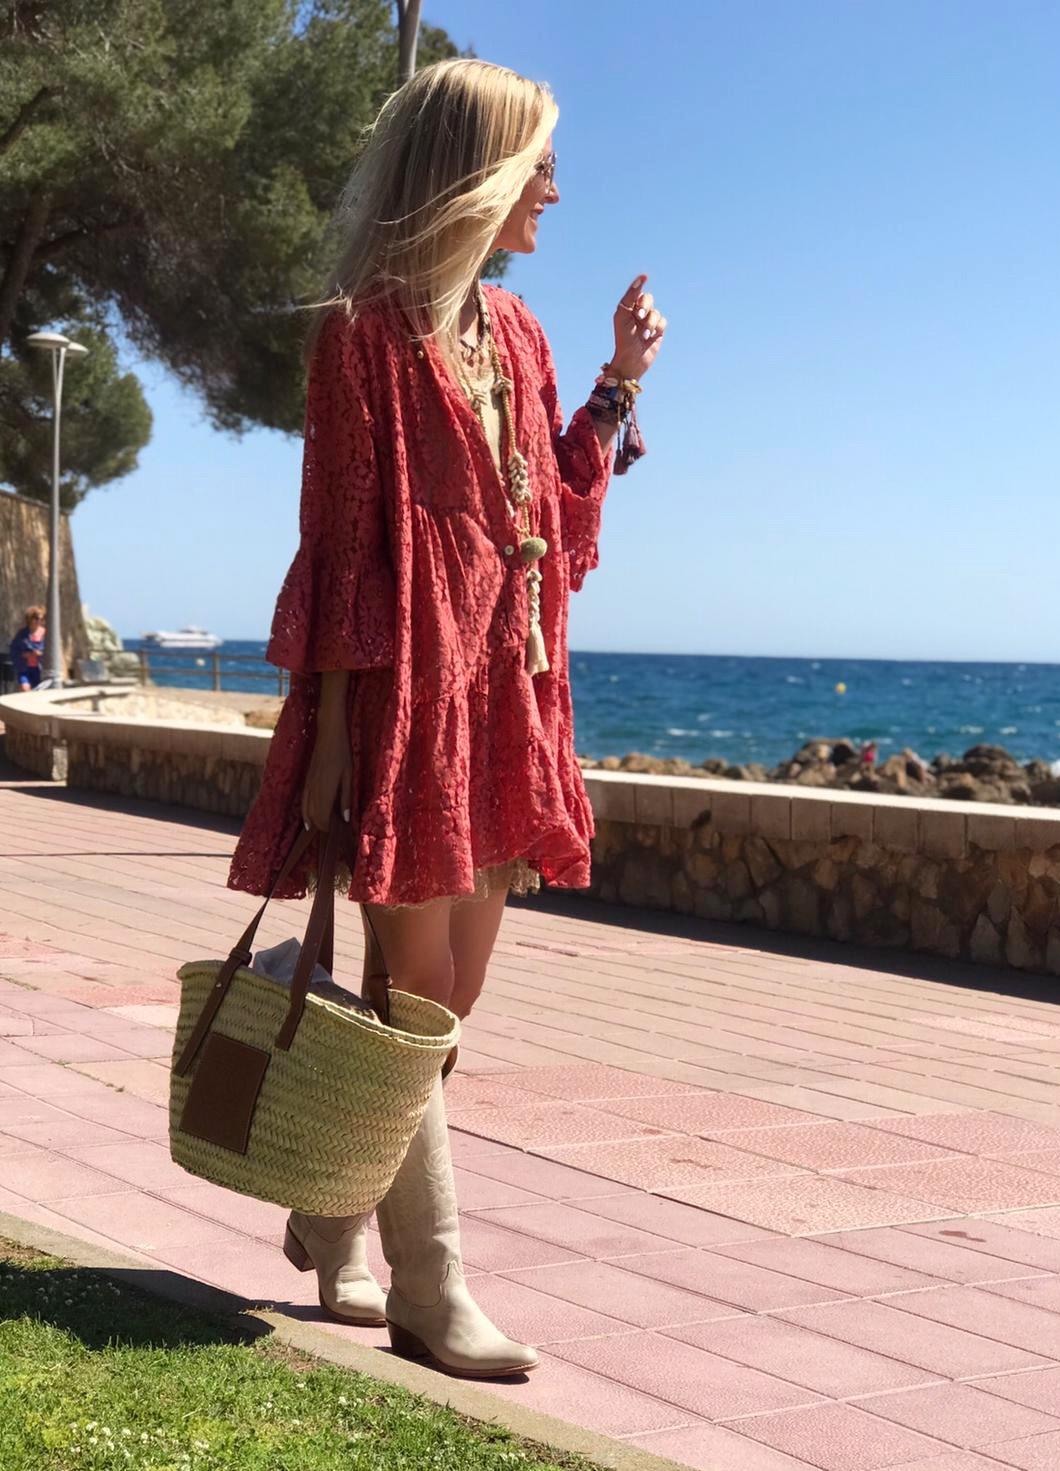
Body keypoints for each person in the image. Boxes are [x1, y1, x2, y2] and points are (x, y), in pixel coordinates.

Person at [227, 59, 665, 1378]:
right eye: (539, 164)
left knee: (445, 999)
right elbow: (342, 546)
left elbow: (558, 513)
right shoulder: (361, 334)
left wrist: (618, 381)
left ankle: (330, 1215)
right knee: (416, 991)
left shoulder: (516, 334)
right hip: (404, 699)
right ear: (474, 171)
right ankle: (436, 1290)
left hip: (505, 700)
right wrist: (337, 739)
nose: (553, 192)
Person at [9, 606, 46, 692]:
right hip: (24, 668)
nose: (39, 621)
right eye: (36, 618)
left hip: (40, 670)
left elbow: (51, 654)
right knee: (25, 689)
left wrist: (40, 654)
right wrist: (25, 655)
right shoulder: (22, 634)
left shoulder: (46, 634)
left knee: (38, 693)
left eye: (41, 619)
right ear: (30, 619)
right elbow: (13, 650)